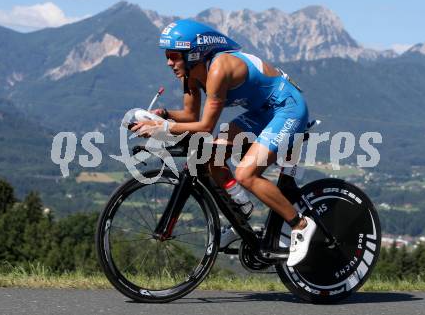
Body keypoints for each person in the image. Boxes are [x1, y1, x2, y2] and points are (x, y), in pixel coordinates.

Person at [131, 19, 316, 267]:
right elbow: (190, 117)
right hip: (262, 112)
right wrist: (162, 115)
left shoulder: (218, 70)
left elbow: (205, 126)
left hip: (287, 109)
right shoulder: (190, 74)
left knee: (246, 173)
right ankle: (241, 212)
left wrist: (161, 128)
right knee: (207, 154)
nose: (169, 62)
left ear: (193, 53)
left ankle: (301, 225)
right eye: (167, 55)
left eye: (174, 55)